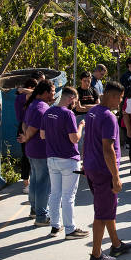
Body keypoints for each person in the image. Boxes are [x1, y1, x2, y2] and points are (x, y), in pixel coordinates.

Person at [84, 81, 131, 260]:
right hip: (104, 171)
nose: (120, 102)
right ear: (112, 96)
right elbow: (108, 149)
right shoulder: (108, 117)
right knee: (102, 214)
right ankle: (96, 255)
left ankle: (116, 244)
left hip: (92, 168)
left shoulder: (92, 112)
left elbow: (90, 141)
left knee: (107, 209)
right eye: (119, 98)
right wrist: (116, 177)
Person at [41, 87, 89, 239]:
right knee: (69, 195)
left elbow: (42, 135)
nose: (76, 103)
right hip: (68, 159)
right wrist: (81, 126)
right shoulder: (68, 114)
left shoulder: (48, 112)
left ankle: (55, 226)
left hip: (52, 158)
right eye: (75, 100)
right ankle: (70, 229)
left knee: (55, 193)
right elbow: (74, 138)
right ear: (71, 98)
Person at [19, 79, 56, 226]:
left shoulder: (33, 105)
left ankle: (35, 209)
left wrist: (26, 138)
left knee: (34, 180)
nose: (54, 95)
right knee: (43, 184)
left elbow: (24, 124)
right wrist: (27, 136)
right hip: (40, 151)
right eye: (52, 92)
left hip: (31, 150)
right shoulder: (42, 108)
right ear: (46, 92)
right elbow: (32, 129)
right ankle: (41, 216)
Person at [15, 77, 38, 195]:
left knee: (31, 155)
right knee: (26, 157)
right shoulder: (21, 97)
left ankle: (31, 181)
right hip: (24, 128)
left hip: (29, 126)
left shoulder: (26, 96)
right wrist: (22, 90)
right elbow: (36, 93)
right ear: (29, 88)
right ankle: (26, 184)